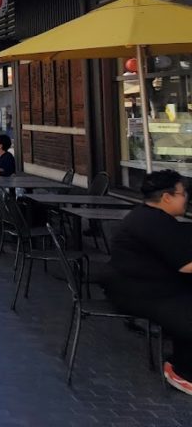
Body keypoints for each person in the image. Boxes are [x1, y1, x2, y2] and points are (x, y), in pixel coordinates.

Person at [104, 170, 192, 396]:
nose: (187, 197)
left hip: (143, 287)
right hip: (139, 294)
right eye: (183, 193)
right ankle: (181, 371)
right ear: (166, 197)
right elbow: (186, 265)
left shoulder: (147, 215)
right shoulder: (154, 222)